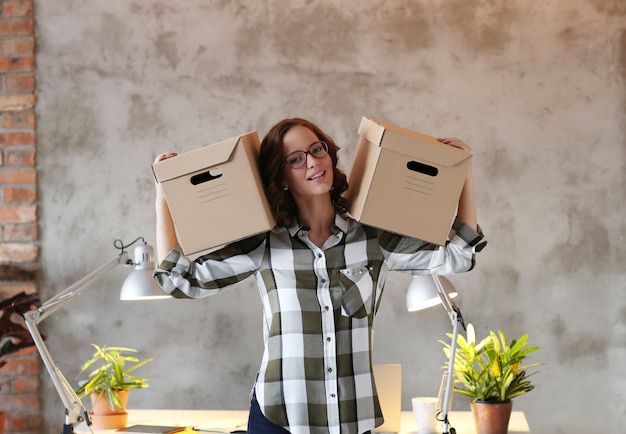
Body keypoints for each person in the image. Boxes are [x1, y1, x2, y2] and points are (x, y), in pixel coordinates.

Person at [153, 118, 486, 434]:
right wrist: (163, 200)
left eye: (317, 149)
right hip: (279, 417)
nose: (312, 162)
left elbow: (459, 255)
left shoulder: (372, 240)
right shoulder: (266, 243)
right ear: (281, 176)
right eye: (295, 159)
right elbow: (180, 281)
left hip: (352, 418)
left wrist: (464, 174)